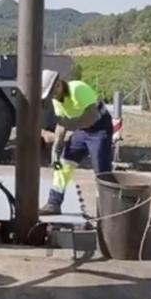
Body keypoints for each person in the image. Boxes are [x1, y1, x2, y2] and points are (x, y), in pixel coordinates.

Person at [38, 71, 113, 215]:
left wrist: (72, 126)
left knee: (101, 171)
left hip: (100, 127)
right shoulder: (57, 100)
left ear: (58, 84)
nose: (52, 97)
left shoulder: (77, 89)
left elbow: (92, 115)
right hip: (82, 129)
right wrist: (56, 148)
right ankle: (54, 203)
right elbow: (61, 124)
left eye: (52, 93)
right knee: (64, 163)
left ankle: (105, 212)